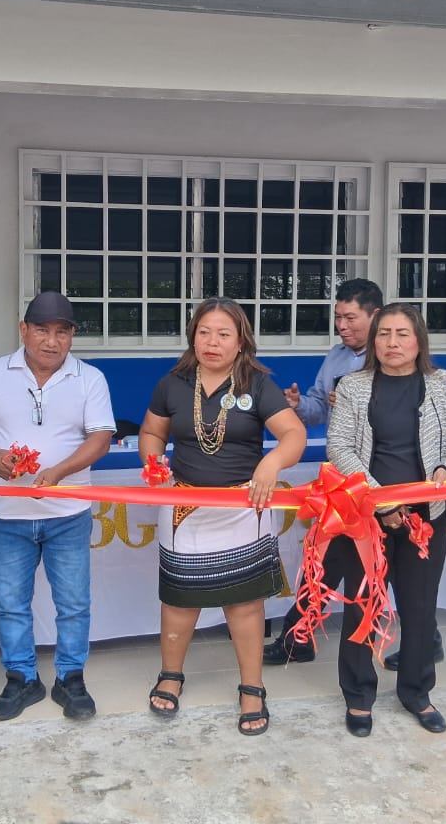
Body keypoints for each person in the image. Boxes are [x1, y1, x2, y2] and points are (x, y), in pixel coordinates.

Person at [138, 298, 306, 735]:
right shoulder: (173, 383)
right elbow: (152, 430)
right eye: (204, 332)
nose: (212, 342)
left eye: (223, 334)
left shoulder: (258, 384)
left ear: (240, 341)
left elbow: (294, 434)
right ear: (192, 337)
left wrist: (271, 464)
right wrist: (153, 463)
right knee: (179, 599)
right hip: (184, 506)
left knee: (245, 604)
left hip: (243, 507)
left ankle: (252, 688)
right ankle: (171, 675)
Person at [0, 291, 116, 723]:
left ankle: (71, 678)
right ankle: (22, 678)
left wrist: (61, 470)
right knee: (10, 602)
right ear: (23, 330)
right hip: (9, 514)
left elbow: (101, 437)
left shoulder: (89, 378)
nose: (51, 341)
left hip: (69, 513)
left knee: (74, 602)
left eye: (62, 332)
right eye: (42, 330)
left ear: (72, 336)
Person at [326, 303, 446, 737]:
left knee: (420, 606)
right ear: (374, 342)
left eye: (402, 334)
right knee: (364, 605)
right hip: (369, 516)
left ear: (419, 341)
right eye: (384, 334)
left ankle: (417, 692)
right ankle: (358, 696)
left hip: (427, 517)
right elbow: (340, 448)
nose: (392, 343)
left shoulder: (442, 384)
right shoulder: (354, 386)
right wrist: (381, 502)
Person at [265, 278, 383, 665]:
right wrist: (299, 406)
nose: (342, 327)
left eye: (351, 318)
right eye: (338, 318)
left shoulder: (391, 355)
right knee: (325, 553)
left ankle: (424, 637)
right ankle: (297, 635)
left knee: (381, 560)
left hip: (379, 476)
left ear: (375, 315)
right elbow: (318, 409)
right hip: (341, 478)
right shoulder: (335, 356)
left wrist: (356, 402)